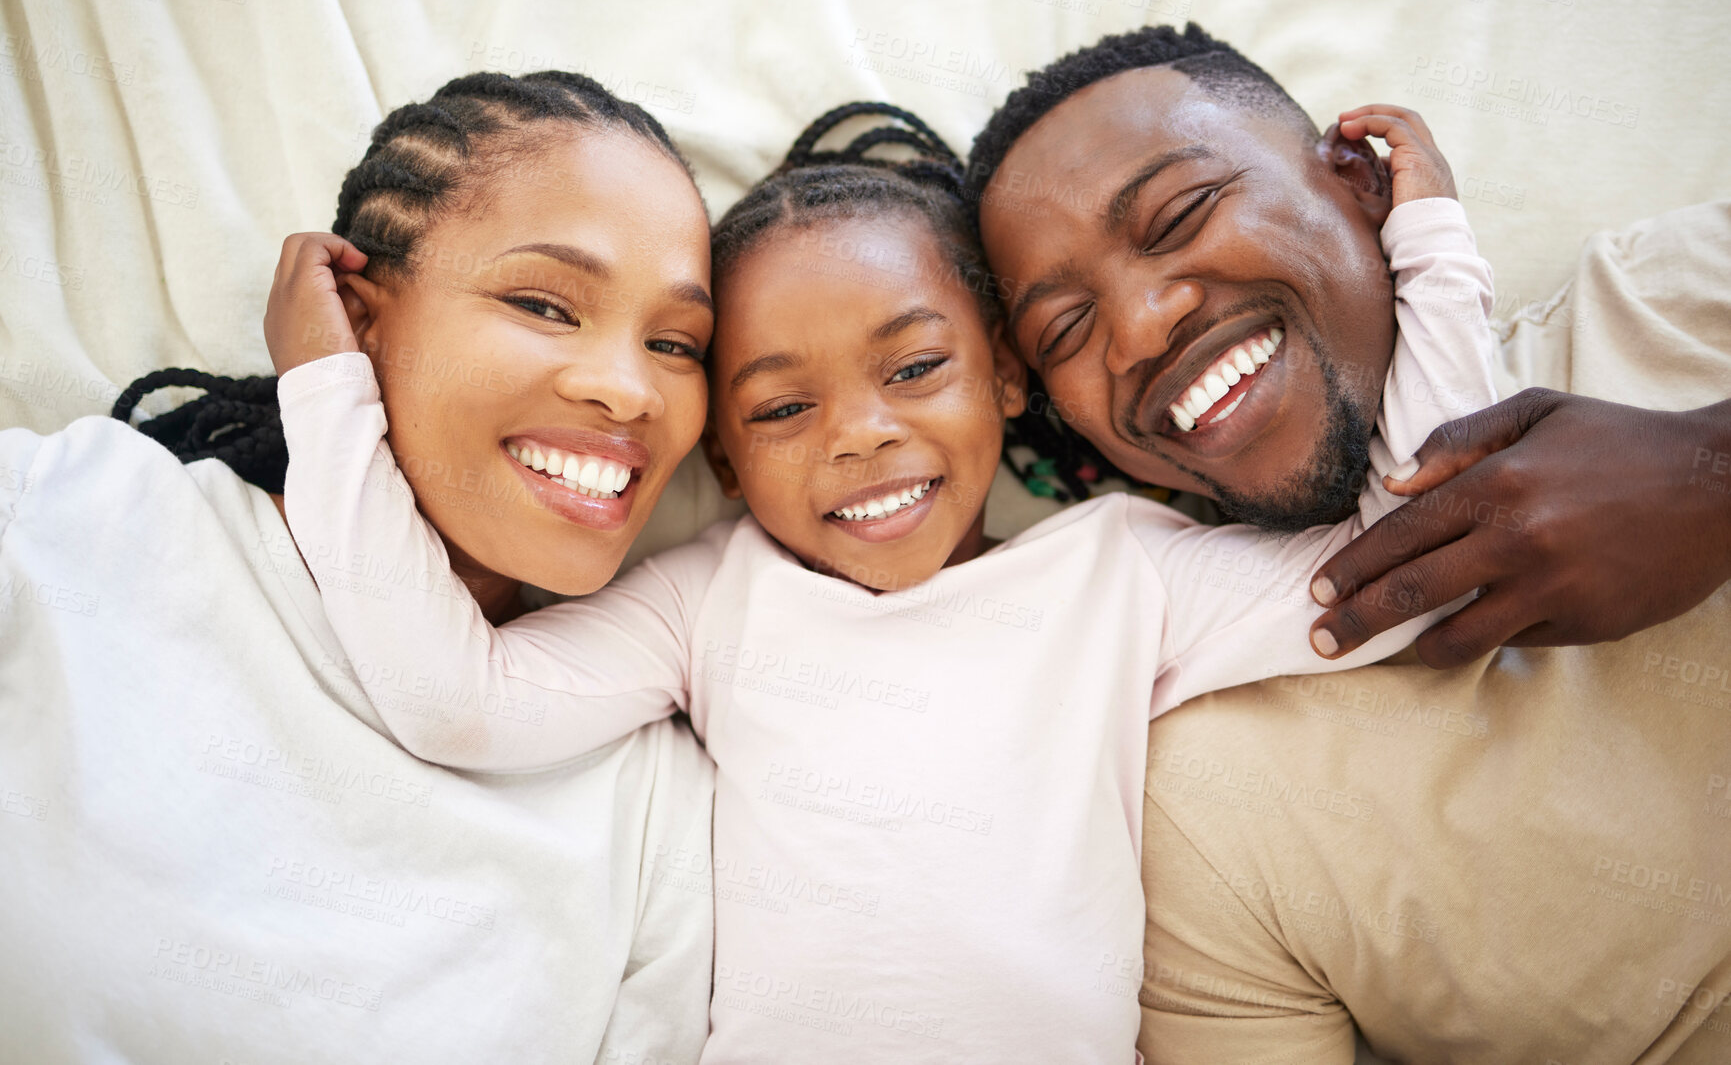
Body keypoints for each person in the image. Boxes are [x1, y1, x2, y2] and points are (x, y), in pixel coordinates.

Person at [264, 95, 1495, 1062]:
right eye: (786, 407)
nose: (860, 435)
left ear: (1008, 379)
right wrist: (330, 396)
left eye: (914, 369)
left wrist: (1432, 248)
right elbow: (454, 700)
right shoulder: (711, 599)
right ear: (730, 462)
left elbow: (1416, 562)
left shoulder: (1116, 575)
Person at [967, 22, 1731, 1062]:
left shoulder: (1666, 305)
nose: (1140, 329)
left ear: (1362, 183)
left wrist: (1708, 478)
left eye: (1181, 213)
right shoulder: (1196, 816)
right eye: (1063, 331)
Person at [0, 70, 718, 1064]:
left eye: (677, 342)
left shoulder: (656, 809)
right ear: (355, 317)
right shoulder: (73, 518)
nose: (628, 389)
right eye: (546, 304)